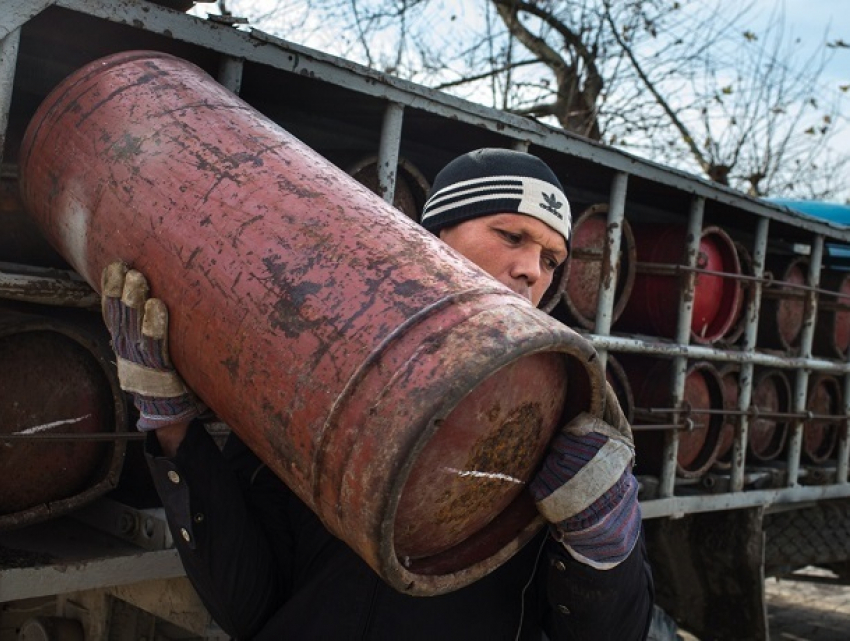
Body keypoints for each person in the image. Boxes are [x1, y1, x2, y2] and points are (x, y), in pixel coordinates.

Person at [102, 148, 654, 640]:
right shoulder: (321, 373)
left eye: (552, 260)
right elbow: (248, 607)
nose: (532, 271)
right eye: (511, 236)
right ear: (433, 238)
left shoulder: (566, 414)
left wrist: (602, 551)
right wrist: (172, 427)